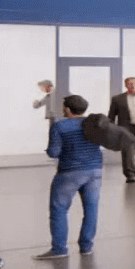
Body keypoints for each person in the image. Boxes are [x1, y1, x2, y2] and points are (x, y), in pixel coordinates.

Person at [42, 95, 101, 259]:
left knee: (59, 209)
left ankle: (59, 249)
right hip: (95, 170)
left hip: (70, 172)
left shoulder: (60, 126)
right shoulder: (95, 123)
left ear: (67, 109)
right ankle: (86, 247)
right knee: (91, 209)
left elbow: (54, 152)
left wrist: (48, 150)